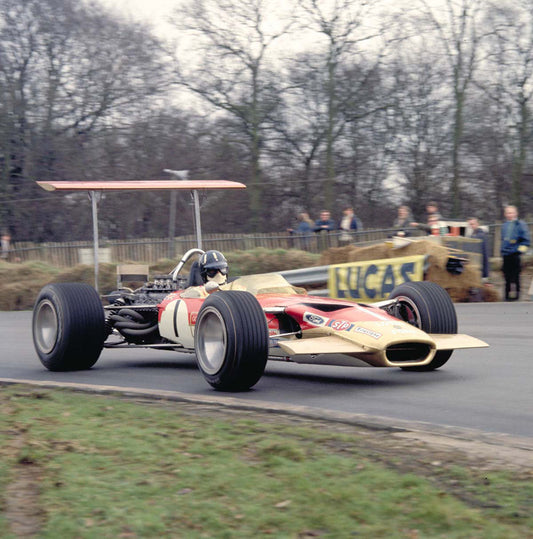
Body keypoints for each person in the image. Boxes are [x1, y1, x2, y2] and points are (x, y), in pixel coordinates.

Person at [500, 205, 530, 301]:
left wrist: (519, 251)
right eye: (508, 213)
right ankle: (506, 296)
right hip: (506, 254)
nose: (509, 215)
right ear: (505, 214)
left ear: (516, 213)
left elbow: (526, 241)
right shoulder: (504, 225)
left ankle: (517, 296)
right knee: (506, 276)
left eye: (511, 212)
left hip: (515, 254)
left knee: (516, 276)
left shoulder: (520, 224)